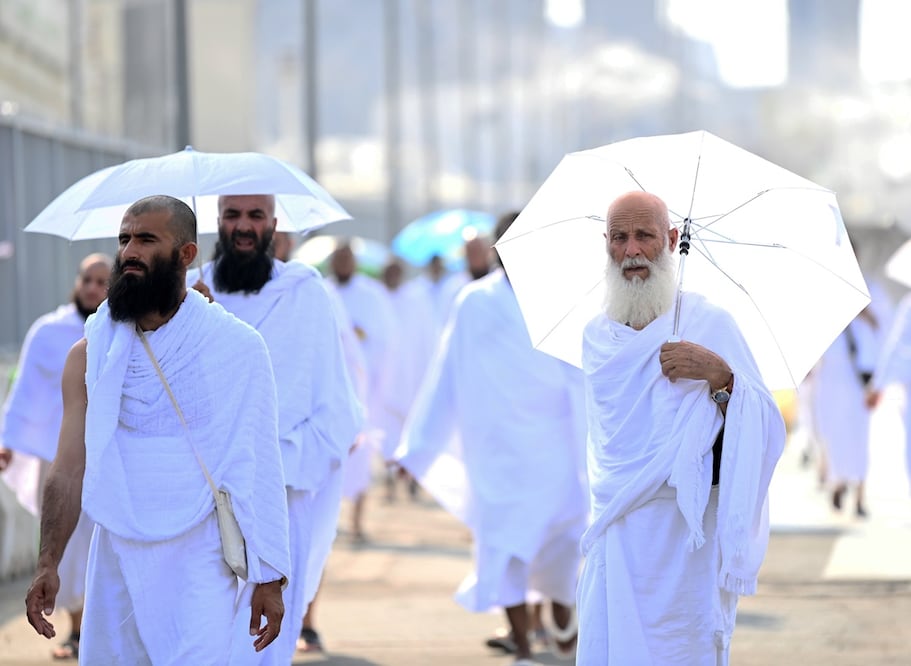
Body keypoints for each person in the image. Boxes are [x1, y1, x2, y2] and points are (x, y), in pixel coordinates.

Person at [24, 195, 291, 663]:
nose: (129, 251)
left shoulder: (236, 348)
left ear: (186, 255)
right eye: (124, 238)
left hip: (200, 557)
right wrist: (48, 560)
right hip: (116, 556)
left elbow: (259, 463)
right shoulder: (89, 355)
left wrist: (269, 575)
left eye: (147, 239)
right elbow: (68, 468)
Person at [575, 191, 785, 665]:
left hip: (685, 544)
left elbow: (766, 430)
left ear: (670, 240)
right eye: (620, 238)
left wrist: (721, 376)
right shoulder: (597, 337)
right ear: (605, 245)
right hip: (617, 532)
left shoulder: (709, 323)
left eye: (644, 237)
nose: (631, 251)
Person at [395, 211, 589, 665]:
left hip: (554, 448)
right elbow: (446, 373)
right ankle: (522, 647)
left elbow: (585, 377)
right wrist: (418, 444)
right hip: (497, 449)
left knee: (561, 550)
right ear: (496, 248)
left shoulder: (564, 301)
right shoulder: (473, 302)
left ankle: (565, 631)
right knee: (503, 546)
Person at [189, 194, 362, 665]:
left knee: (267, 633)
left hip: (286, 485)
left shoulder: (305, 291)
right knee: (205, 626)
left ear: (273, 224)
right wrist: (193, 318)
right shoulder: (187, 290)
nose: (244, 226)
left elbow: (330, 393)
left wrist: (279, 463)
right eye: (233, 215)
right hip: (205, 489)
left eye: (255, 216)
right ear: (218, 222)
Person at [1, 252, 111, 661]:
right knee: (61, 545)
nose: (94, 288)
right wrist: (9, 440)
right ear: (77, 282)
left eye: (103, 281)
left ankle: (90, 629)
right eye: (88, 279)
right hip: (57, 456)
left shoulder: (118, 332)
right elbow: (25, 391)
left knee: (94, 545)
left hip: (99, 459)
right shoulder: (46, 331)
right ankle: (76, 629)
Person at [328, 242, 396, 542]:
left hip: (359, 384)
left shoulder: (370, 295)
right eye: (338, 258)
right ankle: (328, 521)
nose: (342, 264)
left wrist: (359, 333)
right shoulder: (320, 291)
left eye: (347, 258)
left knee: (360, 454)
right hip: (328, 386)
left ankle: (356, 520)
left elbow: (385, 338)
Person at [378, 258, 435, 501]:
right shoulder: (377, 299)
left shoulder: (416, 301)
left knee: (412, 432)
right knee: (387, 435)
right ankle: (390, 481)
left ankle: (413, 477)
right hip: (384, 383)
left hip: (411, 380)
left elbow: (427, 339)